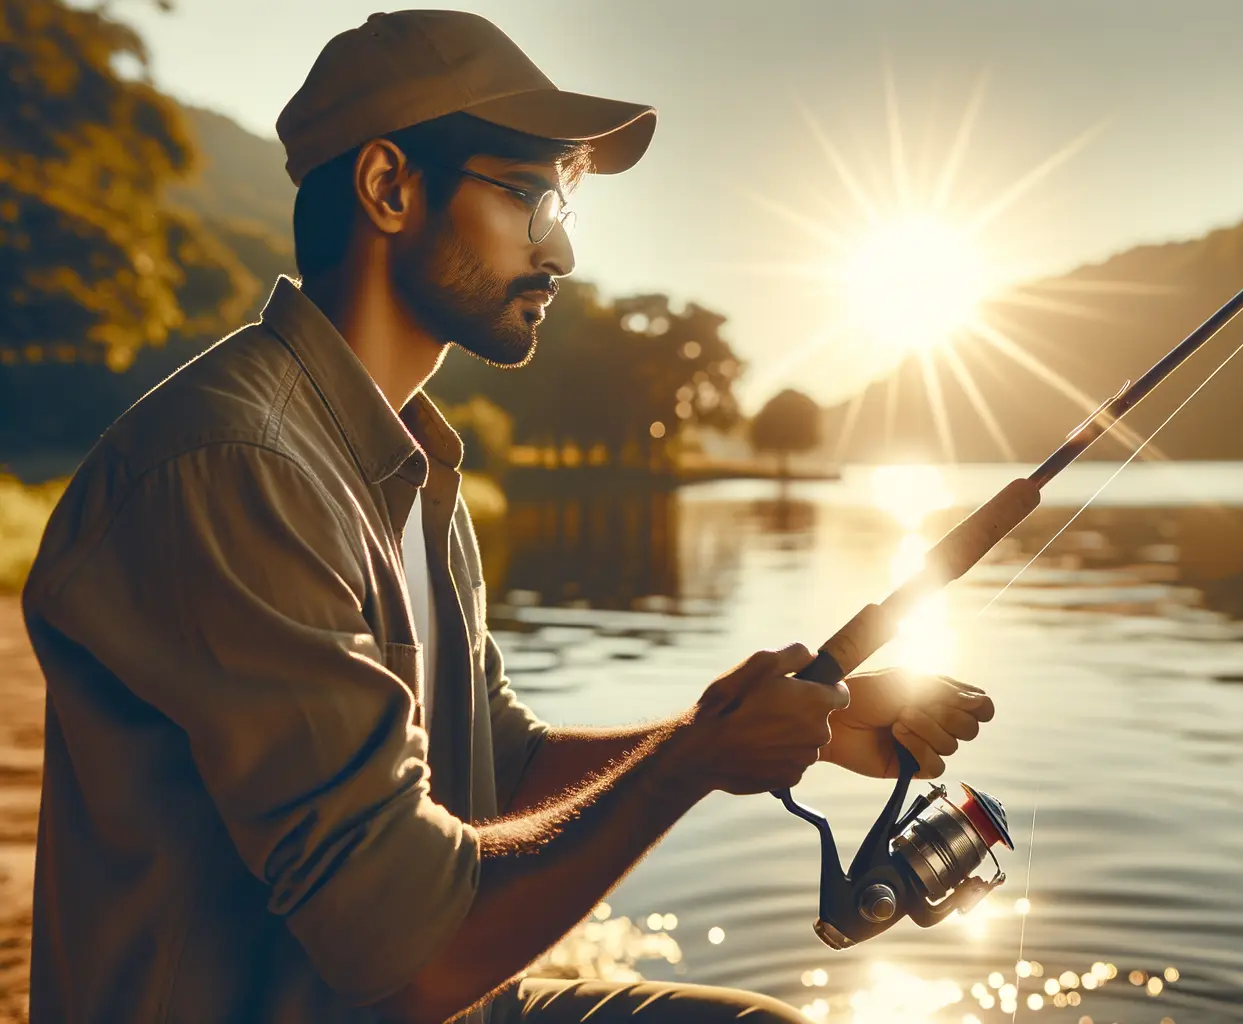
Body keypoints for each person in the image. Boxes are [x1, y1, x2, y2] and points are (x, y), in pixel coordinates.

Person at [20, 10, 995, 1023]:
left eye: (564, 203)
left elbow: (502, 771)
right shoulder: (237, 469)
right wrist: (694, 761)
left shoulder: (415, 465)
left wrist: (783, 729)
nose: (560, 249)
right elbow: (410, 958)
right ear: (389, 188)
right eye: (531, 196)